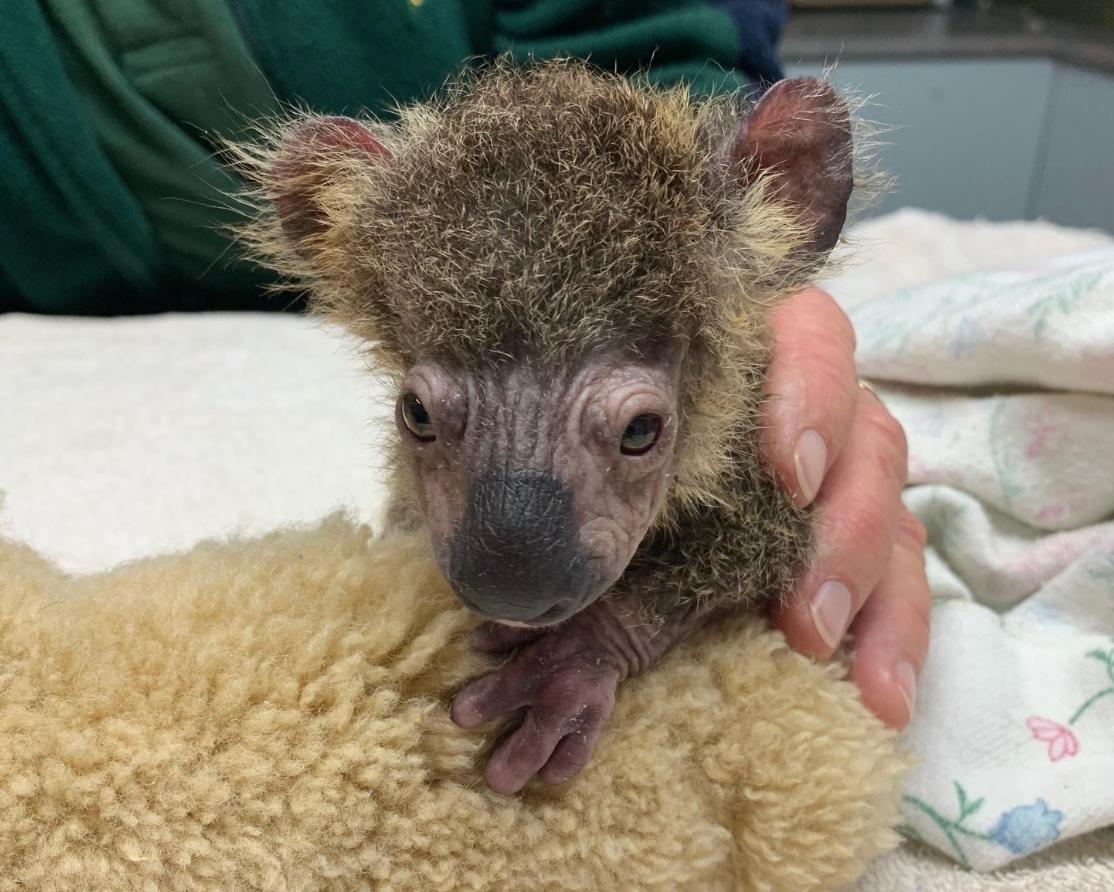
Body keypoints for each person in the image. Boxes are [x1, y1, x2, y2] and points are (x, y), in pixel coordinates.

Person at [0, 0, 929, 728]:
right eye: (421, 416)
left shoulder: (733, 370)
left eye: (638, 428)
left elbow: (763, 538)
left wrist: (616, 635)